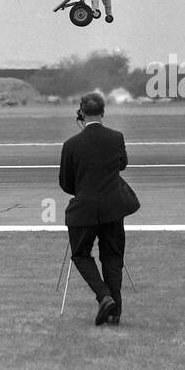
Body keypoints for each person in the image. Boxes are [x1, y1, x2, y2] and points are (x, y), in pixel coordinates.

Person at [59, 92, 140, 325]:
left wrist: (83, 188)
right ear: (103, 112)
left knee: (81, 254)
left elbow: (65, 182)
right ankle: (115, 312)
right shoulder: (116, 137)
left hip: (84, 209)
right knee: (113, 257)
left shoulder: (71, 145)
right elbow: (122, 164)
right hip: (113, 208)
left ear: (81, 114)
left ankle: (104, 296)